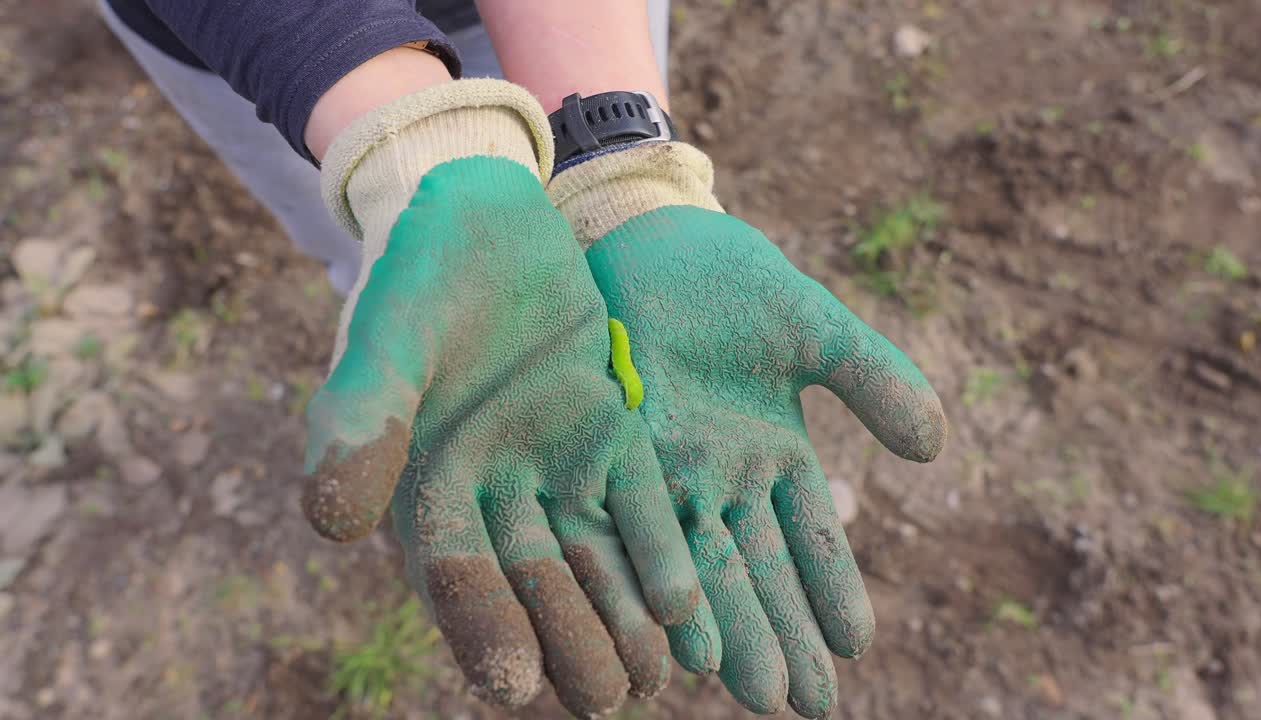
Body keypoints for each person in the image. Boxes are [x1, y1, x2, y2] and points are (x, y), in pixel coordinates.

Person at [99, 2, 949, 718]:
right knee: (387, 248)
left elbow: (601, 130)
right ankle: (394, 284)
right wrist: (408, 146)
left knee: (427, 243)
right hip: (273, 44)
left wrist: (614, 168)